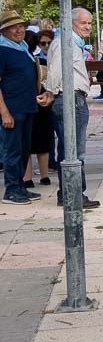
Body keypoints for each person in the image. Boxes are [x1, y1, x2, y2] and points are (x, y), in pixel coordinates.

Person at [41, 8, 101, 209]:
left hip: (72, 98)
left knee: (68, 149)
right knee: (75, 152)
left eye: (90, 23)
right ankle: (75, 194)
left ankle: (66, 193)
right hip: (69, 99)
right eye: (83, 23)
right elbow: (56, 71)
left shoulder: (72, 43)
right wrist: (50, 92)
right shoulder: (65, 42)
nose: (88, 27)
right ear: (71, 23)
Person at [0, 11, 41, 205]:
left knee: (24, 150)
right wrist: (4, 113)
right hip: (12, 109)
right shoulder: (2, 50)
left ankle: (20, 186)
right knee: (12, 150)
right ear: (4, 31)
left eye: (22, 26)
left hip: (27, 106)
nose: (20, 30)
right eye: (14, 27)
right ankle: (11, 189)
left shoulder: (22, 47)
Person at [23, 30, 54, 188]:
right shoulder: (40, 61)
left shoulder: (23, 60)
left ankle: (27, 178)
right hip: (43, 104)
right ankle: (44, 176)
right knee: (43, 141)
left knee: (26, 142)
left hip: (26, 103)